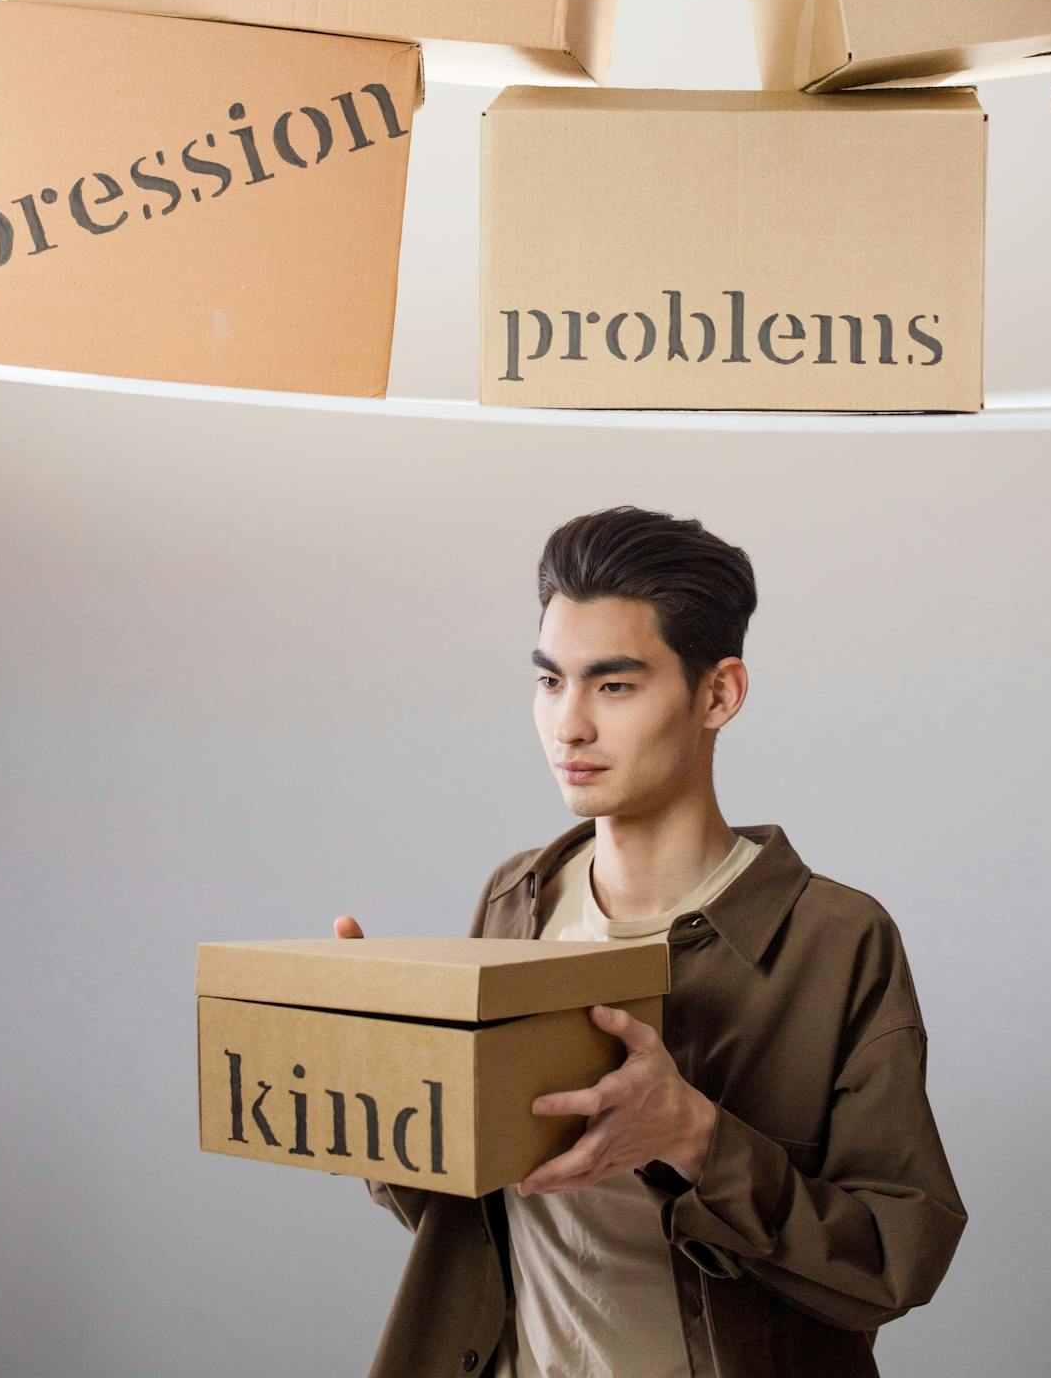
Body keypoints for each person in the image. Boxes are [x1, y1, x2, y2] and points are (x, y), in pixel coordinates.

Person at [335, 506, 967, 1378]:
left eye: (614, 686)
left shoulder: (833, 939)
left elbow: (895, 1260)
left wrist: (696, 1137)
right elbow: (483, 1217)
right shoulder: (515, 900)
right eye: (550, 682)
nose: (569, 727)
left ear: (719, 694)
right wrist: (377, 1082)